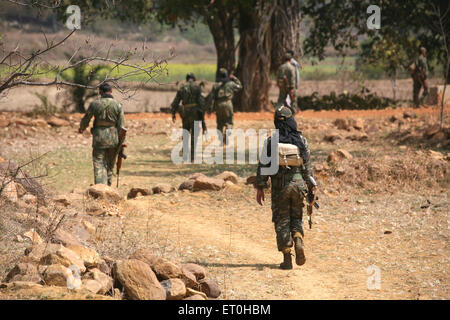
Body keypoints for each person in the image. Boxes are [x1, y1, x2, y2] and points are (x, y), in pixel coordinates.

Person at [255, 105, 315, 270]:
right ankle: (298, 238)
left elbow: (263, 167)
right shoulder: (302, 141)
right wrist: (311, 188)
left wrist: (260, 187)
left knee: (282, 220)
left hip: (279, 188)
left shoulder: (270, 142)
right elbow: (308, 168)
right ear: (291, 120)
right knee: (296, 217)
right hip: (298, 185)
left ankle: (287, 257)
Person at [78, 83, 125, 186]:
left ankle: (99, 189)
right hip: (114, 139)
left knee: (99, 164)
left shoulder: (95, 104)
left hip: (99, 138)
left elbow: (86, 119)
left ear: (100, 92)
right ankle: (108, 189)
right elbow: (121, 126)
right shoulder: (118, 105)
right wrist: (121, 143)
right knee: (110, 165)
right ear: (111, 91)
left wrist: (82, 128)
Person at [171, 73, 206, 161]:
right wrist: (202, 114)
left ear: (187, 79)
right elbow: (201, 102)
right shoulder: (197, 87)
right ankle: (192, 156)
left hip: (185, 112)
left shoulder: (182, 87)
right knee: (194, 134)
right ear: (194, 79)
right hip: (195, 113)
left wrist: (173, 113)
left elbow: (175, 102)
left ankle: (185, 155)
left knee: (185, 133)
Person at [206, 68, 242, 145]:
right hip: (228, 103)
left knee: (219, 123)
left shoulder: (215, 85)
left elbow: (211, 98)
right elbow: (240, 86)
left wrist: (209, 109)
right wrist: (234, 78)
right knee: (229, 121)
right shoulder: (231, 84)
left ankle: (221, 138)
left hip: (218, 105)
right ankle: (227, 132)